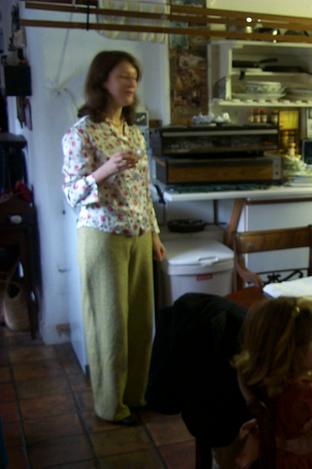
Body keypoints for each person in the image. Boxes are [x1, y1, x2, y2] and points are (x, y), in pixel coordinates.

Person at [62, 50, 166, 425]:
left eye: (134, 77)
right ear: (102, 81)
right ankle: (110, 405)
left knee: (140, 321)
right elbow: (72, 193)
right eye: (123, 76)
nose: (131, 83)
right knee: (110, 325)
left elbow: (143, 190)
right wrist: (103, 170)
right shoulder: (81, 133)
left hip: (138, 234)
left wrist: (154, 234)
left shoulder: (133, 131)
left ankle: (135, 394)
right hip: (103, 236)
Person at [233, 297, 312, 469]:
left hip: (275, 449)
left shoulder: (261, 371)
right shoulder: (302, 394)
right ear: (296, 353)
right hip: (301, 461)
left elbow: (311, 361)